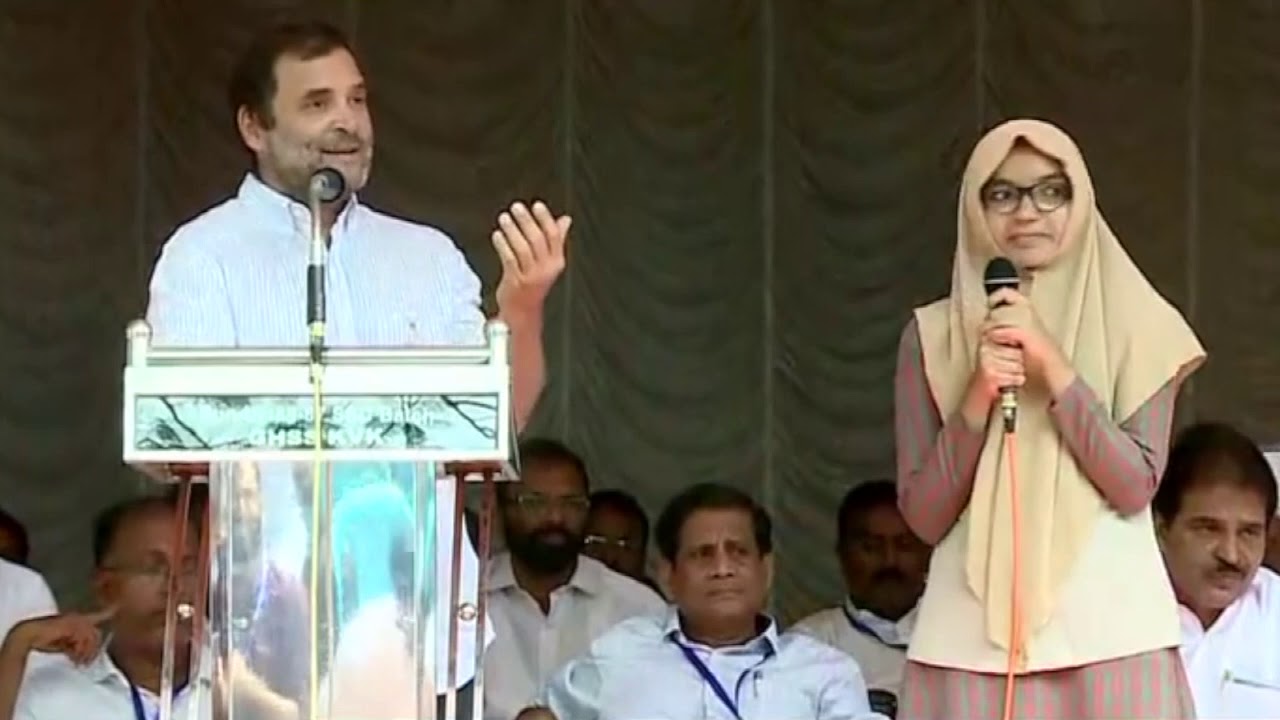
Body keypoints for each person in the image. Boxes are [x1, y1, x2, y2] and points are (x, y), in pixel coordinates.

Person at [143, 19, 569, 715]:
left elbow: (503, 426)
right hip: (263, 643)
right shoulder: (203, 257)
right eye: (317, 104)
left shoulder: (425, 258)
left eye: (357, 100)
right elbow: (178, 447)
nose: (347, 121)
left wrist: (521, 310)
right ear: (254, 126)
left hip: (422, 637)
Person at [893, 119, 1205, 719]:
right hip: (969, 645)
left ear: (1080, 199)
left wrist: (1055, 368)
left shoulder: (1142, 326)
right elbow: (925, 516)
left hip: (1114, 639)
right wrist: (979, 395)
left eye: (1050, 191)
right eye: (1002, 193)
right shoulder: (930, 337)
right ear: (974, 205)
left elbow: (1133, 484)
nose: (1027, 213)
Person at [526, 483, 884, 720]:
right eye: (702, 554)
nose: (722, 568)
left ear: (766, 570)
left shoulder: (823, 672)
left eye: (739, 552)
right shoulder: (621, 653)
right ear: (669, 575)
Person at [484, 439, 664, 720]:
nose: (555, 517)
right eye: (534, 502)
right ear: (499, 510)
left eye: (571, 504)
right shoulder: (461, 602)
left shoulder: (636, 608)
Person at [11, 495, 210, 720]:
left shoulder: (240, 687)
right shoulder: (50, 696)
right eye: (154, 568)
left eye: (189, 568)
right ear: (105, 588)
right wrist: (19, 642)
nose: (176, 586)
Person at [1155, 422, 1280, 718]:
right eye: (1208, 529)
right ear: (1161, 529)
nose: (1231, 554)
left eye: (1249, 532)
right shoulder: (1116, 618)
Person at [792, 480, 928, 705]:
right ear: (842, 554)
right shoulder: (807, 646)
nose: (889, 561)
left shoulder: (958, 637)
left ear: (928, 552)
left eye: (904, 545)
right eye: (871, 547)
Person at [583, 489, 662, 595]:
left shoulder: (657, 607)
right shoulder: (558, 601)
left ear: (643, 556)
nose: (610, 557)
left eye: (624, 545)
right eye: (596, 541)